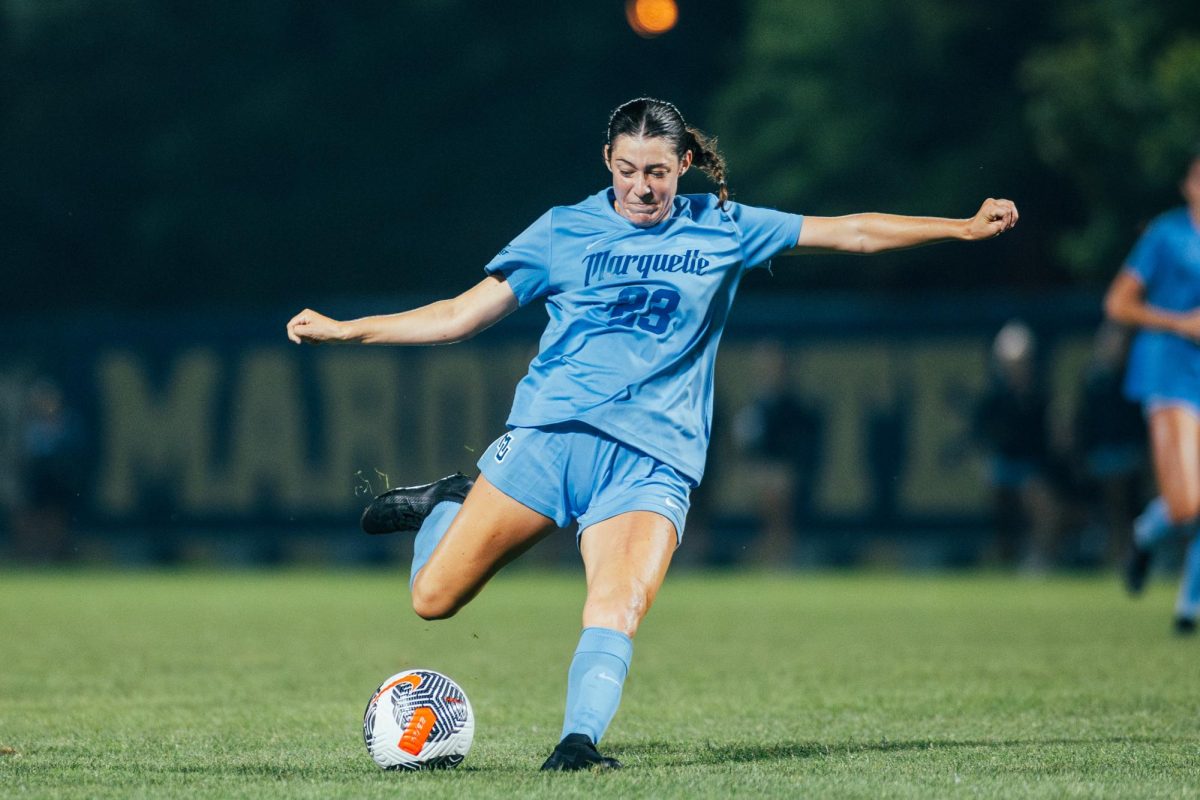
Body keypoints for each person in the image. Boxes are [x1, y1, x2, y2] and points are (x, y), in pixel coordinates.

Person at [286, 97, 1019, 769]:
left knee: (617, 605)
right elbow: (458, 315)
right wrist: (352, 331)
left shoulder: (724, 227)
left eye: (660, 173)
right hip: (547, 440)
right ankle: (447, 502)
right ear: (608, 162)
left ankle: (577, 744)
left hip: (651, 460)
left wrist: (958, 225)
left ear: (686, 166)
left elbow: (852, 233)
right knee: (432, 599)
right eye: (630, 169)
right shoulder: (563, 229)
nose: (643, 187)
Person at [1105, 149, 1200, 635]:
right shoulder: (1168, 235)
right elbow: (1118, 302)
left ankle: (1188, 607)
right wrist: (1179, 322)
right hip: (1170, 373)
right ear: (1188, 185)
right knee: (1186, 504)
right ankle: (1146, 533)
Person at [972, 320, 1061, 570]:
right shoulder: (994, 398)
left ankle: (1038, 557)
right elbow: (983, 437)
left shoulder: (1038, 397)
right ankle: (1003, 555)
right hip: (1004, 467)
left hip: (1031, 469)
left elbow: (1049, 444)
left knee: (1039, 498)